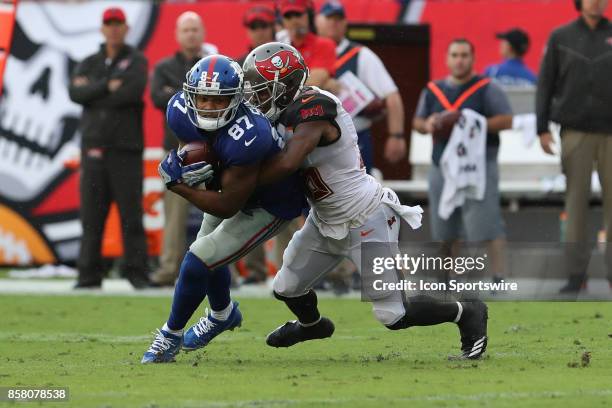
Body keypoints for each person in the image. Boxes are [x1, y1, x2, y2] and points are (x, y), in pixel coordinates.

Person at [242, 42, 489, 360]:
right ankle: (312, 325)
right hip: (326, 220)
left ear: (286, 86)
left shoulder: (315, 106)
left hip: (366, 217)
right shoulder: (281, 113)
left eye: (263, 90)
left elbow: (288, 163)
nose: (256, 98)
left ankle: (466, 311)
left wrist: (241, 181)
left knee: (393, 315)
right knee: (286, 286)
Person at [141, 55, 304, 363]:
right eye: (202, 98)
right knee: (208, 254)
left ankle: (169, 336)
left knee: (199, 258)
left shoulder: (250, 133)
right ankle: (222, 314)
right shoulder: (178, 111)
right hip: (231, 185)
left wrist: (179, 184)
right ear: (190, 95)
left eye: (219, 100)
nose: (208, 107)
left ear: (236, 98)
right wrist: (190, 165)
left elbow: (229, 205)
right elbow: (201, 154)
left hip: (268, 203)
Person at [412, 39, 513, 285]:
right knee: (445, 225)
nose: (459, 60)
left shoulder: (487, 88)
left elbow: (507, 120)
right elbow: (418, 122)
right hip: (442, 165)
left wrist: (470, 123)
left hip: (478, 165)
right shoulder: (434, 89)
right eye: (455, 55)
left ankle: (499, 276)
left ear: (473, 58)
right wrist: (430, 124)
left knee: (487, 221)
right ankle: (450, 277)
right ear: (447, 59)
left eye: (464, 55)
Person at [69, 7, 150, 289]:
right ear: (103, 28)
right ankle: (88, 276)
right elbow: (75, 93)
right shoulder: (88, 62)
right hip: (94, 149)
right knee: (91, 217)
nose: (114, 28)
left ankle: (137, 274)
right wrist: (107, 86)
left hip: (125, 151)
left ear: (126, 28)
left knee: (131, 215)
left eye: (118, 24)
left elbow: (131, 91)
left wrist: (94, 92)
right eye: (109, 24)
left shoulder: (136, 60)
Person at [536, 0, 612, 292]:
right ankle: (576, 276)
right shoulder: (561, 36)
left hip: (611, 132)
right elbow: (546, 83)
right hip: (575, 132)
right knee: (575, 204)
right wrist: (542, 128)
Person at [149, 11, 214, 287]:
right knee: (174, 216)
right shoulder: (164, 66)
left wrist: (176, 92)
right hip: (178, 150)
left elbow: (171, 97)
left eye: (195, 29)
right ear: (177, 35)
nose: (191, 34)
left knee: (219, 212)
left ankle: (227, 269)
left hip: (213, 150)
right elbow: (157, 97)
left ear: (203, 33)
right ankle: (168, 269)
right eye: (186, 30)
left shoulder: (214, 64)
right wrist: (200, 94)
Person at [317, 1, 406, 171]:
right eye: (329, 18)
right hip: (315, 138)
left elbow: (391, 95)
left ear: (345, 23)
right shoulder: (307, 51)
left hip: (355, 138)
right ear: (317, 20)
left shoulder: (360, 55)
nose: (333, 22)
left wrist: (397, 135)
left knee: (360, 194)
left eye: (338, 18)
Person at [276, 0, 337, 90]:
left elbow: (315, 81)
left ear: (309, 16)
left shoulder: (324, 44)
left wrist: (281, 84)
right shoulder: (277, 46)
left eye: (298, 14)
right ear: (283, 21)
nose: (294, 20)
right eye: (288, 16)